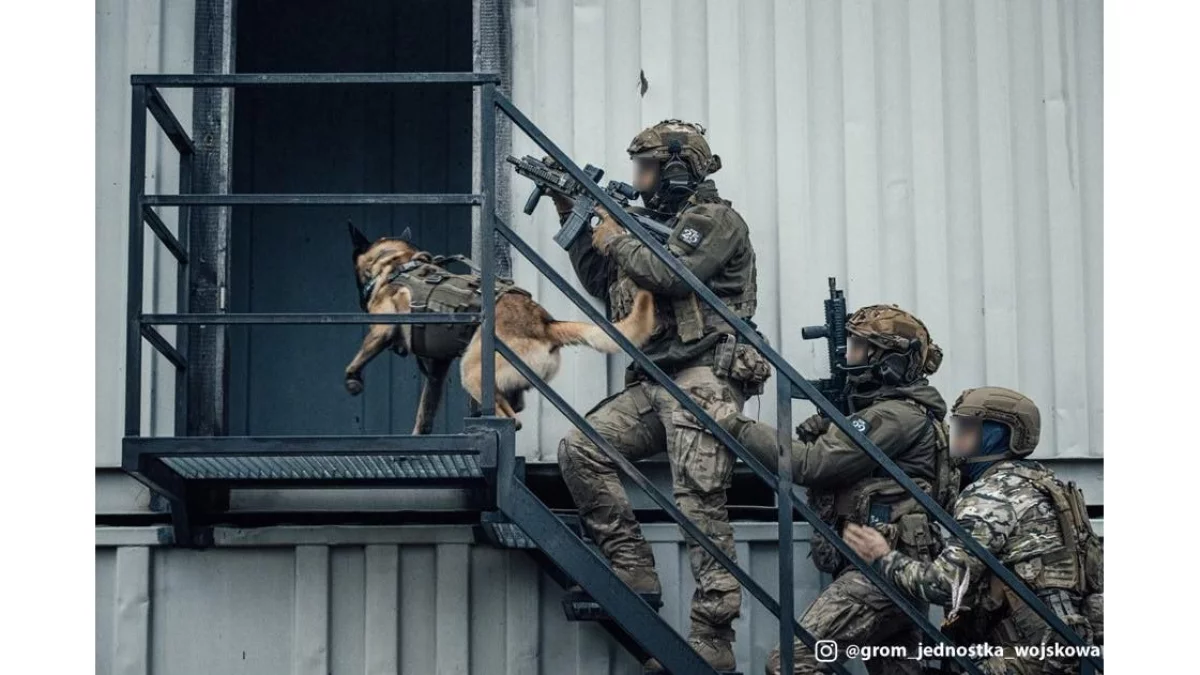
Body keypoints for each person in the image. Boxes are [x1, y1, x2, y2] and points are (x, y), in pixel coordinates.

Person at [555, 119, 767, 671]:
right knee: (581, 448)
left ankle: (713, 645)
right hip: (657, 381)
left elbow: (674, 275)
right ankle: (632, 570)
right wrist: (577, 220)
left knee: (701, 508)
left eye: (646, 167)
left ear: (677, 169)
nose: (638, 178)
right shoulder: (648, 226)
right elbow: (607, 285)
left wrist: (617, 235)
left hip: (704, 379)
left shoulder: (713, 221)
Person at [719, 305, 955, 674]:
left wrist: (733, 425)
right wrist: (836, 428)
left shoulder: (894, 415)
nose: (849, 355)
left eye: (859, 346)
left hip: (881, 571)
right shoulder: (894, 411)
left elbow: (812, 465)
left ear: (886, 359)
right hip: (895, 565)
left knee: (791, 663)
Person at [843, 386, 1101, 674]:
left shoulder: (992, 494)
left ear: (996, 436)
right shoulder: (1048, 486)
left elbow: (944, 585)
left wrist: (883, 557)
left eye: (967, 427)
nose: (956, 435)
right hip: (1070, 650)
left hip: (1028, 656)